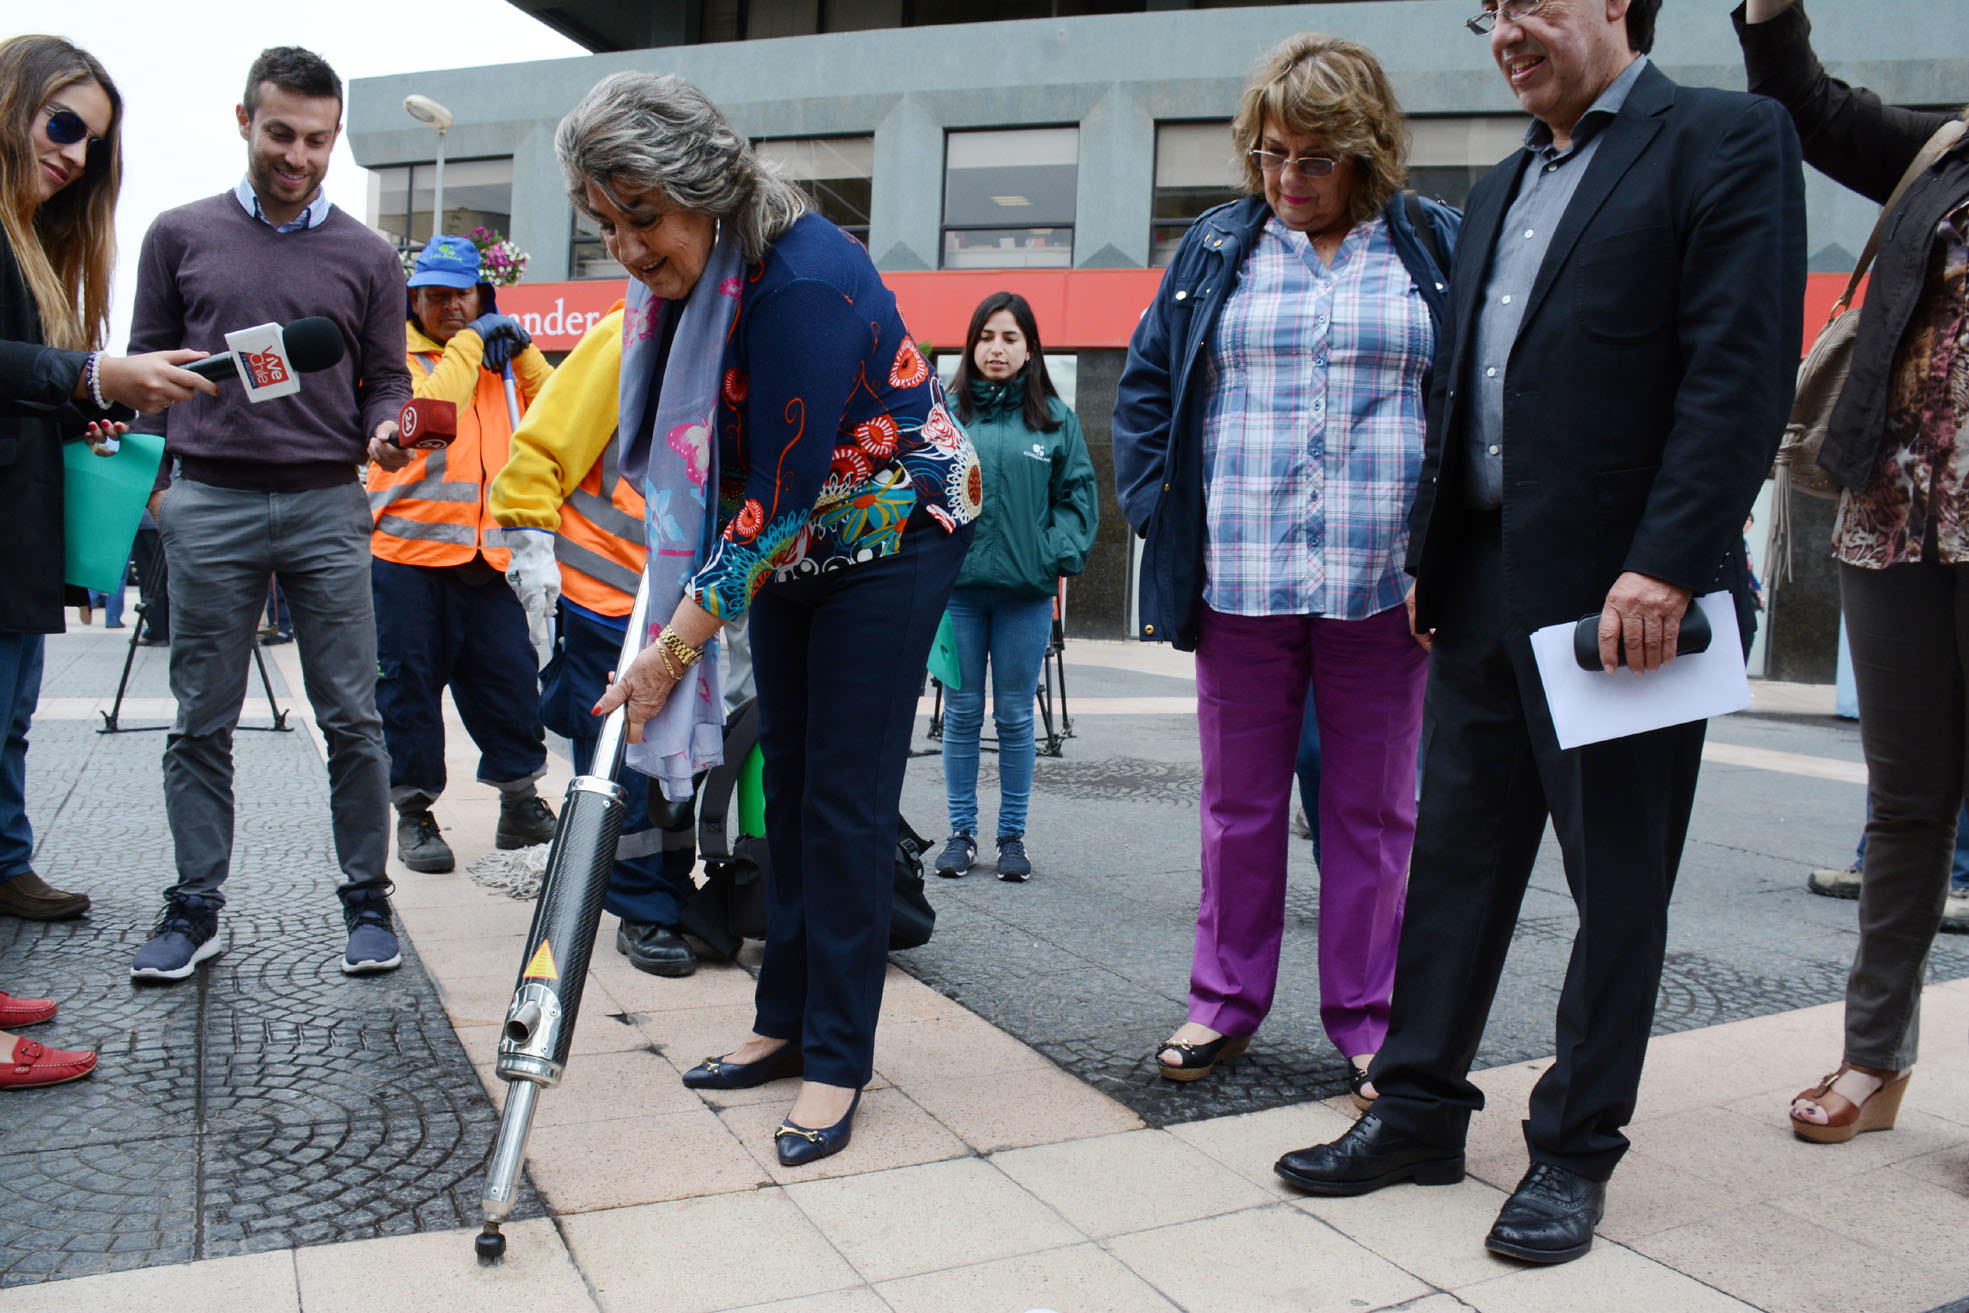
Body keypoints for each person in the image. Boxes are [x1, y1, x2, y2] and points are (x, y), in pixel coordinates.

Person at [1271, 0, 1804, 1267]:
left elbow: (1736, 366)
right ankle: (1415, 1110)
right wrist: (1431, 553)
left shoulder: (1724, 139)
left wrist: (1665, 562)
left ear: (1615, 2)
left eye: (1530, 4)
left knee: (1613, 880)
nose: (1504, 31)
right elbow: (1462, 386)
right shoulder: (1507, 175)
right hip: (1486, 579)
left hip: (1628, 601)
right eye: (1488, 12)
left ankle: (1572, 1149)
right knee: (1452, 861)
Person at [563, 70, 979, 1166]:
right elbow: (739, 485)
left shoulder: (799, 282)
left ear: (703, 188)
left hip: (894, 527)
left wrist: (666, 651)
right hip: (798, 538)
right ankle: (784, 1020)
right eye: (607, 223)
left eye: (641, 216)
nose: (627, 250)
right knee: (786, 782)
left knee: (842, 799)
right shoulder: (699, 285)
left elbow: (773, 496)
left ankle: (838, 1055)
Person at [1112, 33, 1456, 1101]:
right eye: (1268, 155)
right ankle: (1223, 1001)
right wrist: (1154, 513)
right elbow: (1143, 390)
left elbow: (1480, 400)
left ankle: (1367, 1017)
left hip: (1382, 589)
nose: (1285, 179)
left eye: (1311, 159)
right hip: (1240, 581)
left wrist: (1446, 553)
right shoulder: (1217, 248)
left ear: (1366, 152)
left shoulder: (1434, 244)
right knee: (1238, 807)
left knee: (1373, 813)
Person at [124, 46, 415, 982]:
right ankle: (195, 904)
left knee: (353, 717)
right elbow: (143, 362)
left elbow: (388, 379)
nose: (298, 155)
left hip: (329, 499)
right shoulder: (177, 233)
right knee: (199, 718)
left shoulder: (369, 255)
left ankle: (367, 901)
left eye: (318, 140)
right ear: (244, 119)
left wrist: (384, 429)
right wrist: (165, 478)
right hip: (210, 499)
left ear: (337, 138)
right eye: (281, 133)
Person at [1734, 0, 1969, 1145]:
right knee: (1907, 801)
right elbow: (1806, 107)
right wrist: (1770, 14)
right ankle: (1874, 1056)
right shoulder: (1944, 148)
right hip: (1900, 516)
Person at [0, 33, 214, 1083]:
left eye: (96, 140)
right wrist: (91, 374)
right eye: (65, 125)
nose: (80, 155)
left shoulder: (32, 241)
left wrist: (83, 399)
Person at [490, 303, 706, 978]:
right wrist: (528, 540)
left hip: (683, 601)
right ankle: (640, 902)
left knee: (676, 756)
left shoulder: (730, 334)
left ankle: (661, 887)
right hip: (607, 591)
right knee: (623, 758)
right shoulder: (633, 332)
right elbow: (545, 441)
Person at [370, 234, 557, 874]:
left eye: (462, 294)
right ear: (414, 299)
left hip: (491, 559)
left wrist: (524, 353)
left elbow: (561, 410)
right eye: (435, 296)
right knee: (410, 690)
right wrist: (470, 344)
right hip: (407, 559)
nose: (450, 306)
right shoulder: (397, 361)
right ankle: (415, 812)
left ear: (483, 293)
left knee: (509, 683)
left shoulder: (502, 365)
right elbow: (427, 416)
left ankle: (520, 803)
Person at [933, 292, 1097, 883]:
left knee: (1015, 718)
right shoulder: (946, 414)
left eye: (1008, 338)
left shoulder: (1053, 418)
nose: (995, 349)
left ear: (1029, 349)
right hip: (959, 595)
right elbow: (917, 493)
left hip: (1026, 595)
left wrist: (1051, 554)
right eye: (985, 337)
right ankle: (959, 834)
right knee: (960, 714)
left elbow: (1077, 498)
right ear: (971, 345)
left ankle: (1011, 838)